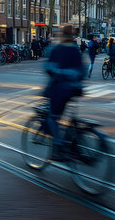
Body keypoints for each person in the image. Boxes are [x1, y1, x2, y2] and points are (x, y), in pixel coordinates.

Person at [44, 25, 85, 160]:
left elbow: (49, 68)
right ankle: (73, 139)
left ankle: (58, 146)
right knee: (69, 116)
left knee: (52, 117)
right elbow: (82, 71)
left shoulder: (57, 49)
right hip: (75, 89)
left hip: (60, 89)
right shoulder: (76, 50)